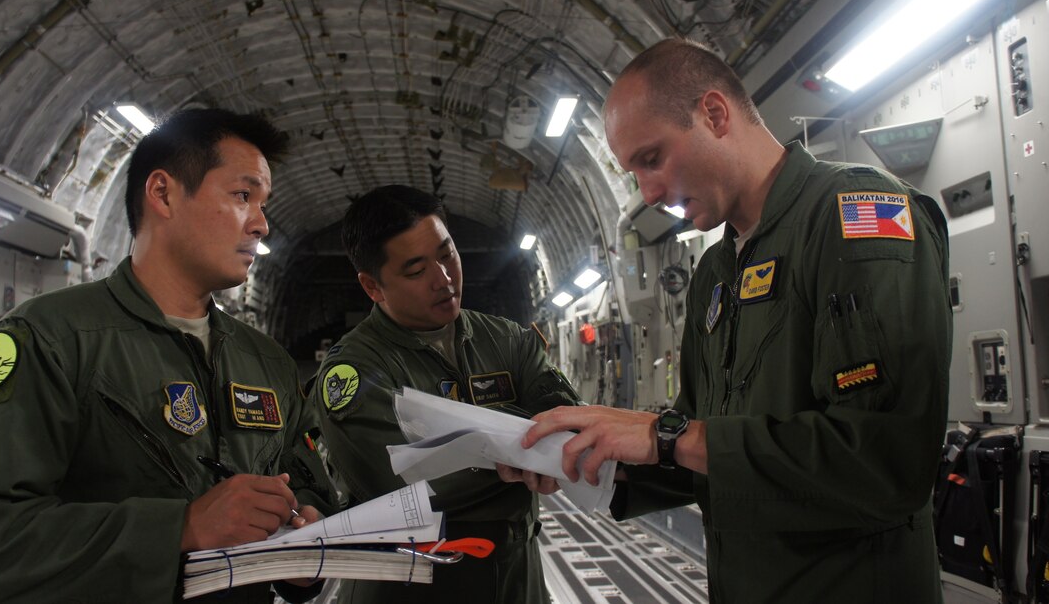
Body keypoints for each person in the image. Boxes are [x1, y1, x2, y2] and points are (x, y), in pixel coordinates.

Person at [517, 37, 952, 603]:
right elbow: (705, 444)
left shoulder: (854, 214)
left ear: (714, 114)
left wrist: (666, 436)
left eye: (652, 159)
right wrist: (594, 461)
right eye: (632, 174)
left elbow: (886, 462)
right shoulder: (716, 272)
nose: (648, 194)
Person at [0, 108, 337, 603]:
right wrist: (179, 528)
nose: (262, 224)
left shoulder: (267, 363)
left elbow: (310, 490)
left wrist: (305, 537)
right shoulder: (51, 339)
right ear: (162, 193)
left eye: (263, 203)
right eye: (243, 196)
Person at [309, 184, 579, 603]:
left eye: (447, 253)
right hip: (412, 588)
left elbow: (566, 423)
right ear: (372, 286)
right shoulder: (354, 371)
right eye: (416, 271)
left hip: (515, 581)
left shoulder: (508, 340)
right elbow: (402, 485)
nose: (444, 278)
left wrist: (478, 446)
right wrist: (524, 444)